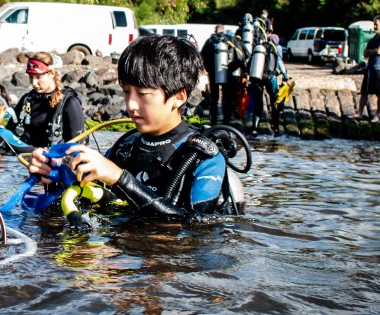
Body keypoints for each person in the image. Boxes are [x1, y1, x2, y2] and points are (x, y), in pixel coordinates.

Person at [27, 35, 232, 221]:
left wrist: (119, 178)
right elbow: (93, 200)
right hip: (119, 257)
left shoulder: (203, 157)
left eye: (142, 94)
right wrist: (55, 177)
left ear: (178, 97)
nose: (131, 105)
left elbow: (198, 228)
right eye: (126, 92)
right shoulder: (126, 146)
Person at [8, 52, 86, 147]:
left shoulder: (70, 102)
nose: (34, 83)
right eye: (31, 77)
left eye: (38, 77)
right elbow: (9, 134)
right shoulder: (27, 100)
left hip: (58, 158)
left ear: (51, 74)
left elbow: (79, 145)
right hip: (29, 158)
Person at [201, 24, 247, 125]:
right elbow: (241, 57)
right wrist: (233, 68)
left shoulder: (209, 41)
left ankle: (213, 121)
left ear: (215, 31)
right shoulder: (231, 39)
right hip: (227, 73)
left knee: (214, 98)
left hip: (213, 74)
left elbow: (202, 57)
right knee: (227, 97)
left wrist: (209, 69)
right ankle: (226, 120)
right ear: (224, 31)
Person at [248, 27, 289, 137]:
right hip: (271, 78)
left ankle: (254, 129)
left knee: (258, 105)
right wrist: (286, 77)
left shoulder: (259, 49)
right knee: (274, 103)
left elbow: (250, 64)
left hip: (258, 78)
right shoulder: (275, 49)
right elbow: (279, 64)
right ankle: (276, 129)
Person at [356, 15, 380, 122]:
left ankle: (377, 115)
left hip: (379, 67)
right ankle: (360, 113)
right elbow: (364, 53)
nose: (375, 26)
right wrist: (372, 51)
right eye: (374, 24)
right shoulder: (372, 39)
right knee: (364, 91)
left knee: (379, 93)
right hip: (370, 67)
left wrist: (371, 51)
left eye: (377, 24)